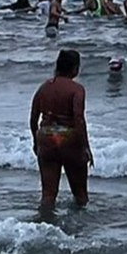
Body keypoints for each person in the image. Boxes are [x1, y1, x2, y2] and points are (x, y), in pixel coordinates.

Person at [29, 49, 92, 207]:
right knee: (80, 195)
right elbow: (78, 118)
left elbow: (33, 118)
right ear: (75, 69)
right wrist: (85, 147)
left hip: (46, 137)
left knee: (48, 195)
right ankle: (81, 229)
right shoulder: (77, 89)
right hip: (68, 139)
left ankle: (45, 223)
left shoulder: (44, 87)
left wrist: (36, 141)